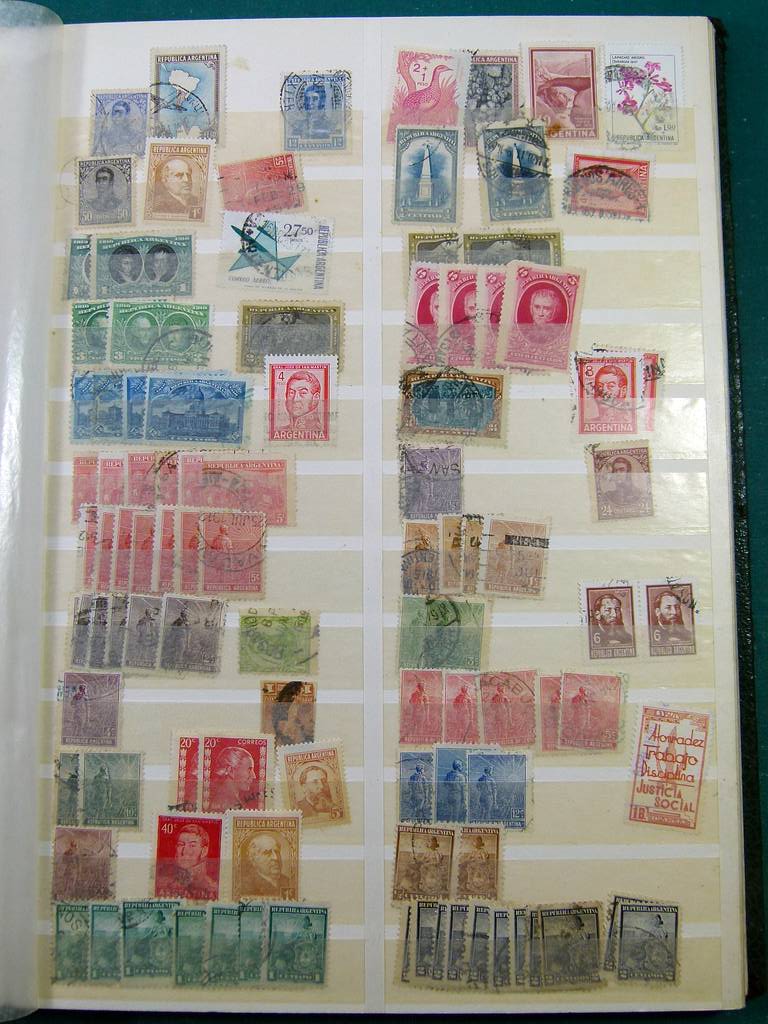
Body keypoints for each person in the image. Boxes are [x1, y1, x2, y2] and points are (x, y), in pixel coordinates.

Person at [159, 823, 218, 899]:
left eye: (192, 846)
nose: (185, 851)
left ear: (204, 851)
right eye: (181, 844)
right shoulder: (164, 882)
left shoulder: (212, 888)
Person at [208, 746, 260, 811]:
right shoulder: (229, 803)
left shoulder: (221, 798)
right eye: (249, 770)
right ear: (231, 771)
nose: (254, 776)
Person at [241, 832, 292, 897]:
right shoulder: (246, 886)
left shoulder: (288, 881)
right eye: (267, 853)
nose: (275, 858)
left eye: (277, 852)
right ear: (253, 859)